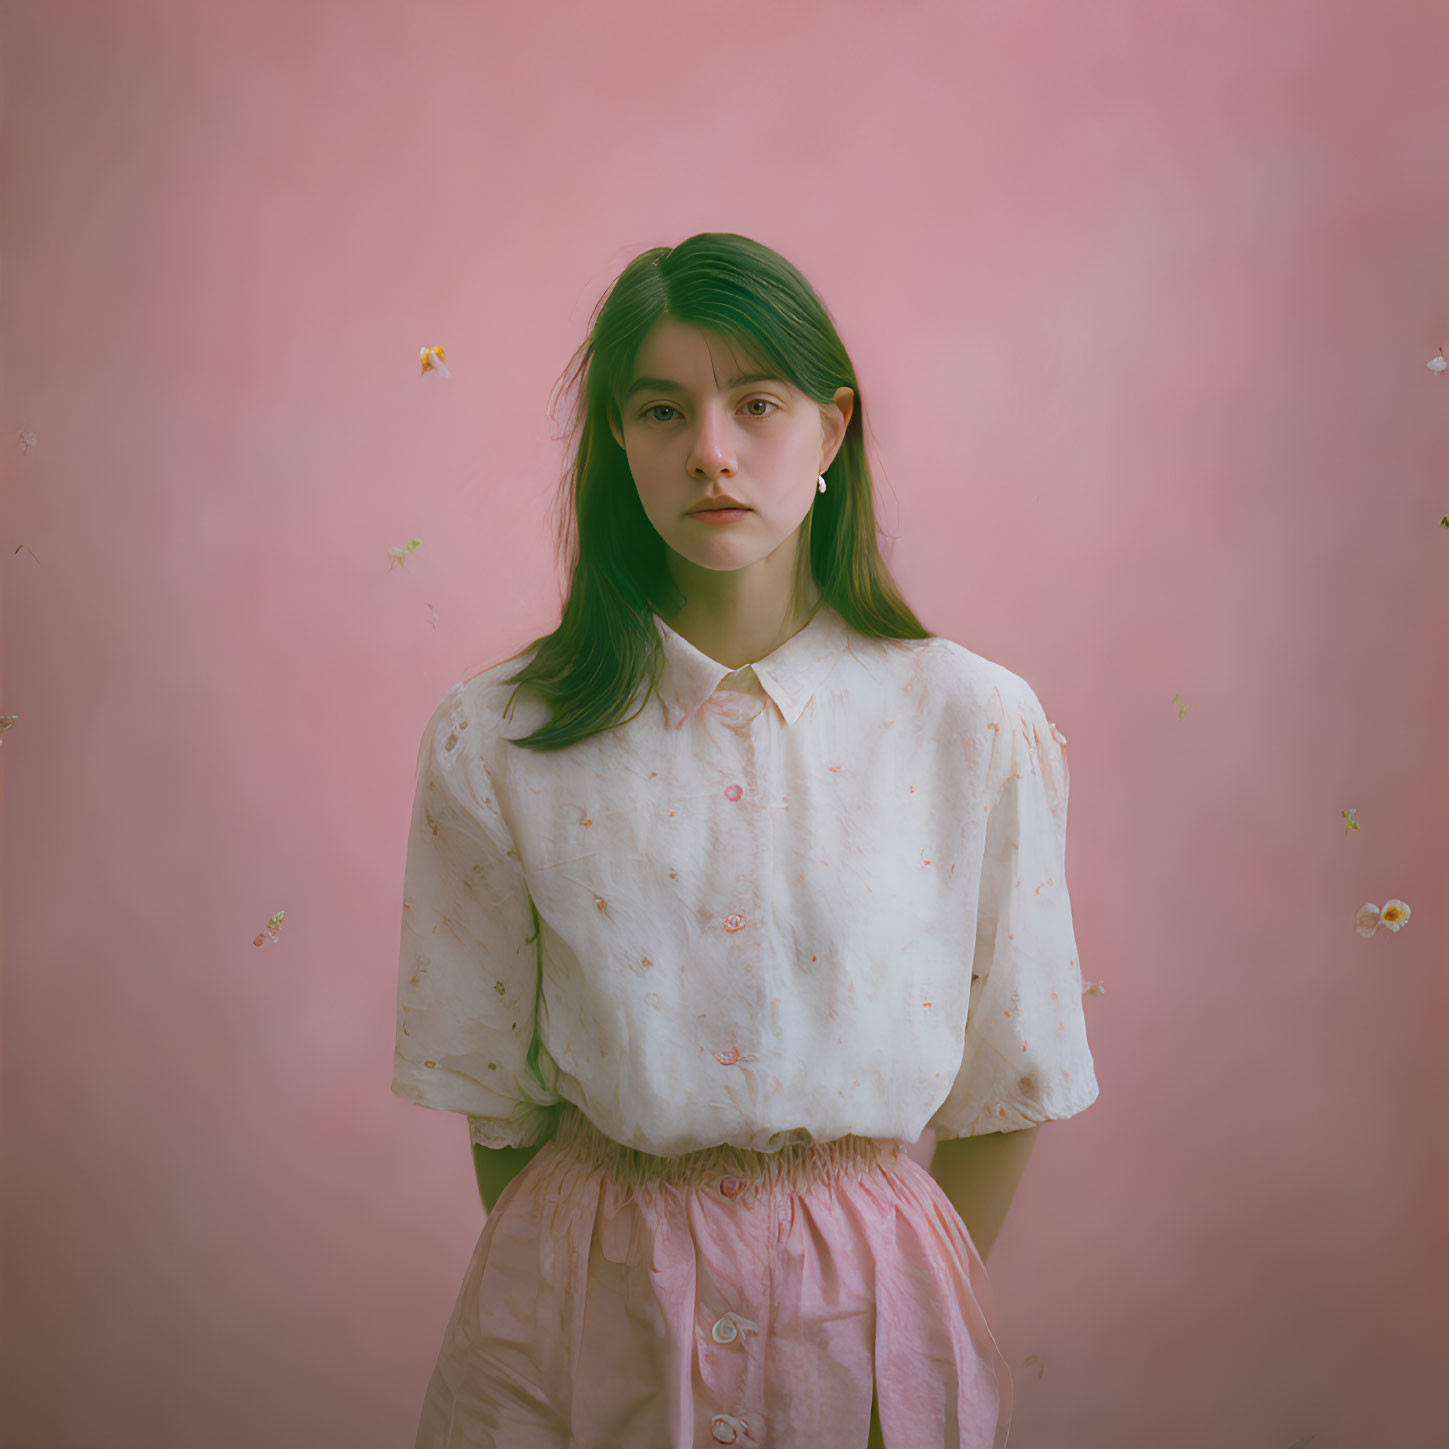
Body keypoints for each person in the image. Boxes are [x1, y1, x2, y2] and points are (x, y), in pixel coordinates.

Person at [392, 232, 1099, 1449]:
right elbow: (494, 1104)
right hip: (576, 1314)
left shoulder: (972, 724)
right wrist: (605, 1278)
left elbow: (1010, 1076)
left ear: (831, 432)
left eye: (754, 403)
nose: (710, 452)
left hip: (875, 1330)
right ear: (619, 439)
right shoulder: (497, 736)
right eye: (663, 409)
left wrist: (890, 1293)